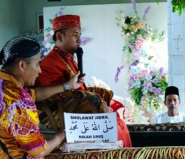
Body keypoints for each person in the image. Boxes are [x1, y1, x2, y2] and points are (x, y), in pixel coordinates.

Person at [35, 14, 132, 147]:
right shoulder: (50, 62)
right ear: (59, 36)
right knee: (114, 125)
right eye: (75, 35)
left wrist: (99, 102)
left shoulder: (67, 58)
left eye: (80, 35)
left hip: (80, 109)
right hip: (67, 116)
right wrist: (99, 106)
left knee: (119, 122)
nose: (79, 40)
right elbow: (55, 99)